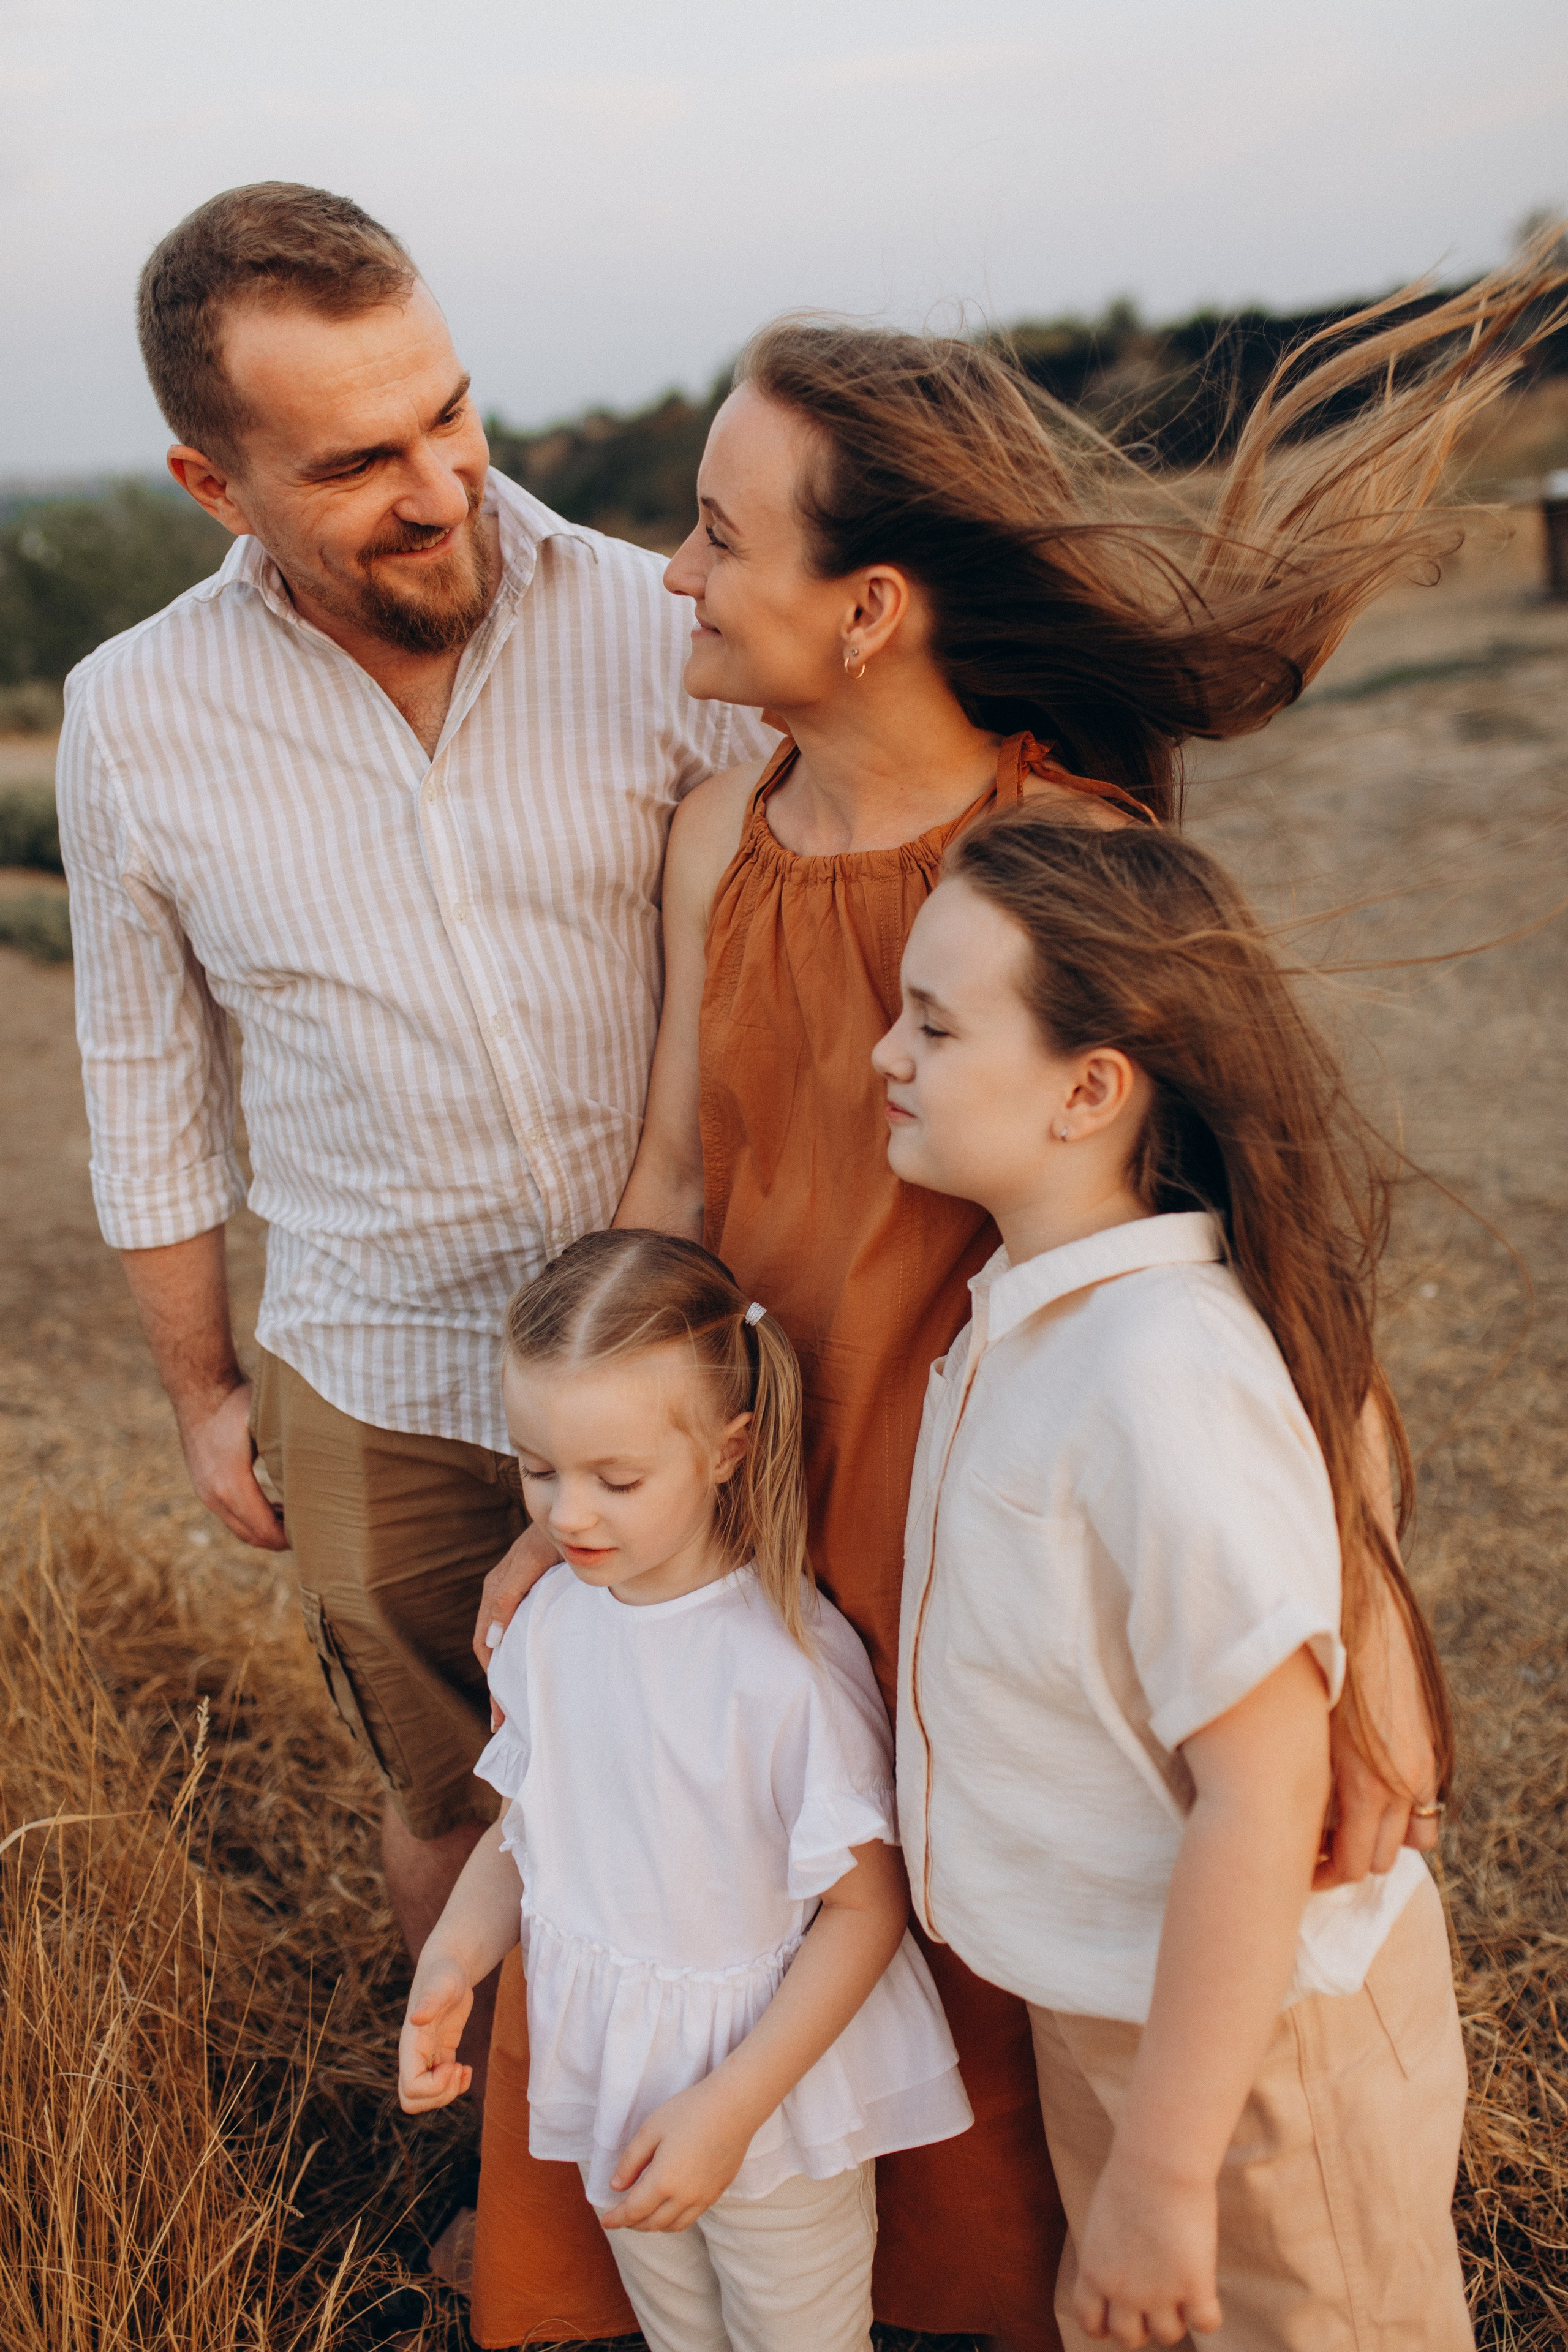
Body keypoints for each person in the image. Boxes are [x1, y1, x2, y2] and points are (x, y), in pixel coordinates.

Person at [475, 247, 1560, 2347]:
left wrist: (1373, 1643)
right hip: (741, 1508)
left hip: (976, 1497)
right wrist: (573, 1506)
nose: (672, 572)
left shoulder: (1058, 853)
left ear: (869, 605)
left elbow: (1264, 1260)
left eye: (718, 528)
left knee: (982, 1937)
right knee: (727, 1898)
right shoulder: (723, 837)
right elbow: (674, 1187)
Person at [55, 177, 772, 2221]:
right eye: (355, 461)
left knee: (730, 1773)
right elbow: (143, 1079)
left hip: (706, 1338)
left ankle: (755, 2157)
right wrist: (205, 1395)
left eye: (449, 414)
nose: (440, 485)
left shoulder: (657, 626)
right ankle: (510, 2195)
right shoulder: (132, 720)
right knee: (452, 1795)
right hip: (380, 1370)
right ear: (212, 480)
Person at [882, 809, 1469, 2351]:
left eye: (933, 1025)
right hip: (1123, 2024)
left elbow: (1262, 1795)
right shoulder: (1032, 1307)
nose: (883, 1054)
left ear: (1088, 1089)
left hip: (1252, 2062)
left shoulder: (1153, 1374)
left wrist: (1159, 2171)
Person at [399, 1229, 971, 2352]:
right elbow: (527, 1837)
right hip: (609, 2063)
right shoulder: (553, 1623)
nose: (568, 1517)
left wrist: (731, 2109)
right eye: (538, 1470)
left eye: (616, 1479)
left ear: (727, 1448)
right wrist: (454, 1959)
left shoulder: (782, 1670)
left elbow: (866, 1910)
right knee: (677, 2333)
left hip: (756, 2097)